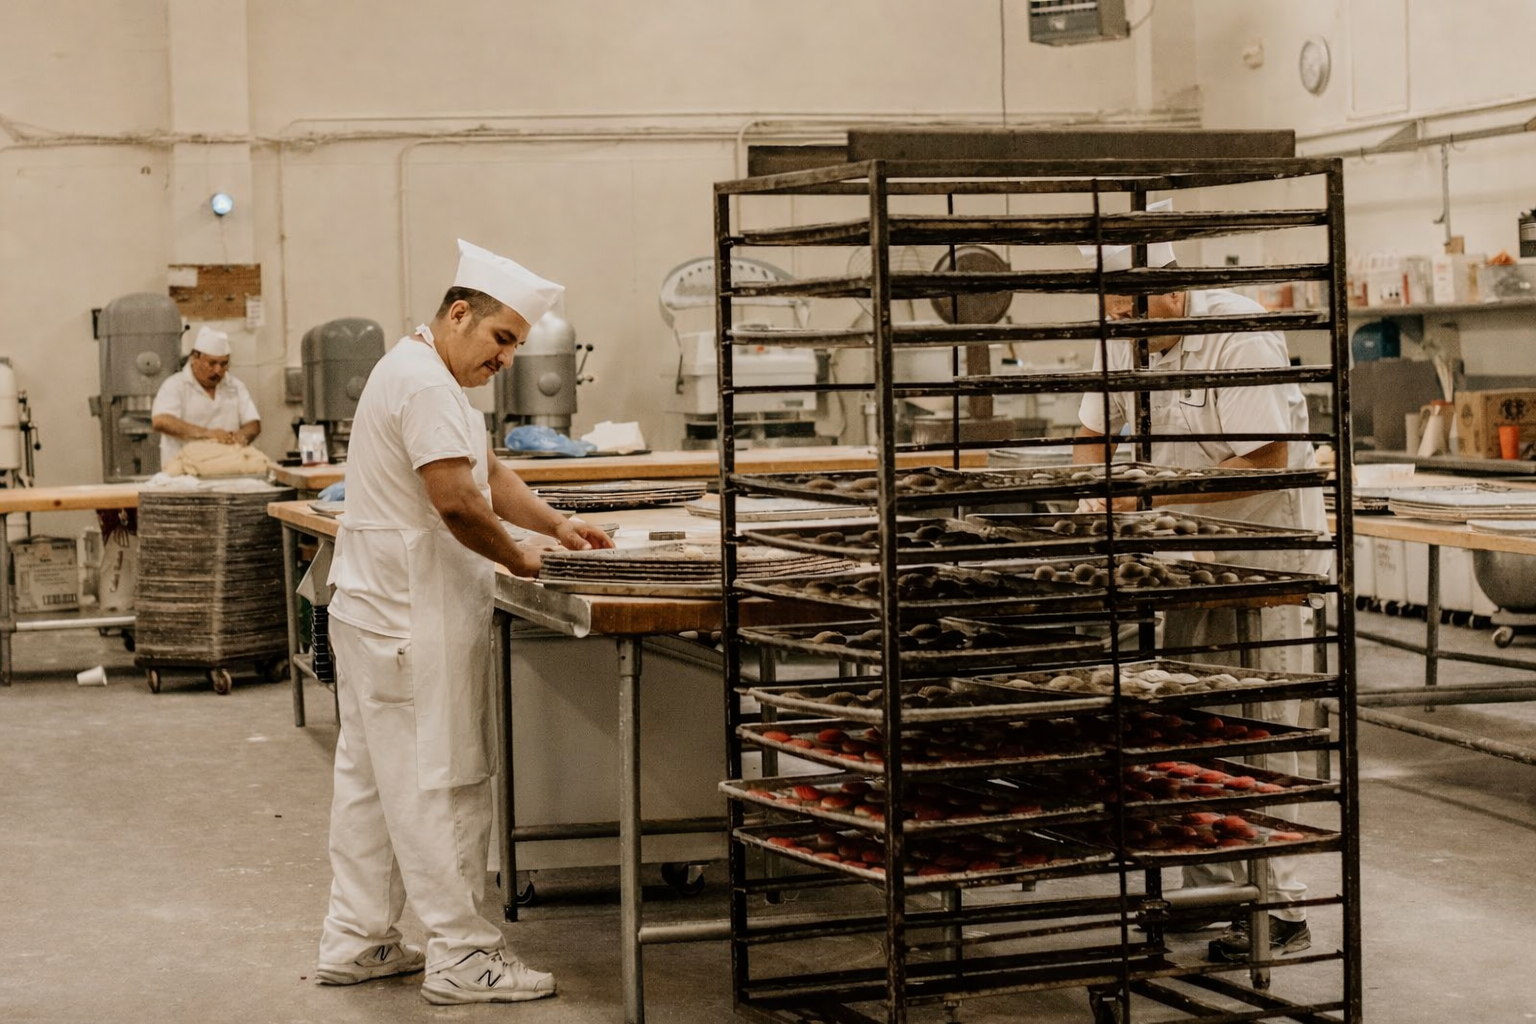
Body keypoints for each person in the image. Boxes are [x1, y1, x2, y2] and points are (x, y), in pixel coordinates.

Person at [316, 239, 614, 1004]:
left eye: (516, 344)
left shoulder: (424, 372)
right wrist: (524, 559)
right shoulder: (422, 382)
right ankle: (463, 956)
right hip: (410, 620)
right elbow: (455, 502)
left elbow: (488, 471)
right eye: (502, 339)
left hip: (380, 614)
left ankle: (361, 937)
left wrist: (558, 524)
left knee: (373, 784)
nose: (508, 358)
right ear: (458, 314)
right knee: (441, 780)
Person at [1073, 227, 1330, 963]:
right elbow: (1093, 429)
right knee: (1192, 723)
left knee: (1259, 728)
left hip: (1260, 565)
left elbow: (1268, 459)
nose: (1124, 328)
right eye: (1115, 316)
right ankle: (1210, 893)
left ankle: (1280, 911)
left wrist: (1151, 503)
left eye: (1133, 314)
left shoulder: (1238, 336)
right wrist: (1100, 489)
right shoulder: (1119, 334)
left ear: (1174, 292)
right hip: (1182, 562)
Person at [149, 325, 261, 465]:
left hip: (227, 469)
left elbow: (253, 423)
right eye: (212, 363)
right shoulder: (175, 385)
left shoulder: (235, 386)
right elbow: (161, 421)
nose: (218, 371)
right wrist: (206, 433)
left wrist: (242, 436)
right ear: (195, 358)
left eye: (224, 364)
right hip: (184, 473)